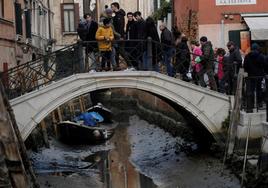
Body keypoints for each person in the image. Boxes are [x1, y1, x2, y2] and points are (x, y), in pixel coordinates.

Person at [243, 43, 265, 112]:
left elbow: (245, 66)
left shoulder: (247, 56)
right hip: (259, 75)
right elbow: (264, 65)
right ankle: (259, 103)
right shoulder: (261, 56)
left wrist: (249, 71)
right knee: (259, 89)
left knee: (251, 90)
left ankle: (251, 104)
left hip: (251, 76)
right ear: (257, 48)